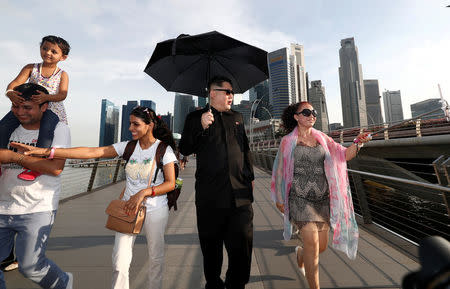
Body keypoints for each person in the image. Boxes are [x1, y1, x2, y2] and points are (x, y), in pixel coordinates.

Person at [14, 106, 177, 289]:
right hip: (128, 208)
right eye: (130, 123)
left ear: (150, 125)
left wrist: (144, 192)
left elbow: (171, 183)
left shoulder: (164, 149)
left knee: (155, 257)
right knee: (119, 262)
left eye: (135, 124)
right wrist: (46, 152)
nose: (130, 128)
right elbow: (92, 152)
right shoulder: (128, 147)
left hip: (155, 208)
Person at [270, 101, 371, 289]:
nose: (311, 116)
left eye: (314, 112)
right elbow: (280, 171)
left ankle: (301, 254)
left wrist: (358, 142)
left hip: (322, 199)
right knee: (313, 243)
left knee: (320, 246)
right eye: (306, 112)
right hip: (299, 199)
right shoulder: (287, 142)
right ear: (296, 117)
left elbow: (344, 155)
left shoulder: (323, 138)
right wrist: (279, 197)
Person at [179, 76, 255, 289]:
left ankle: (235, 284)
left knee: (242, 249)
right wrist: (201, 127)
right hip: (210, 197)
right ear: (213, 93)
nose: (231, 96)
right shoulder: (195, 117)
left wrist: (251, 179)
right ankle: (213, 284)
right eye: (227, 91)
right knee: (211, 251)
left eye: (232, 92)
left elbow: (245, 149)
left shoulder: (238, 117)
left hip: (240, 196)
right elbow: (185, 148)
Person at [0, 83, 72, 289]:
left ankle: (63, 283)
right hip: (2, 205)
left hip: (37, 207)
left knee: (30, 266)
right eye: (16, 107)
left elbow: (56, 167)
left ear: (43, 107)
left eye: (27, 107)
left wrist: (14, 157)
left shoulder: (58, 129)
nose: (20, 112)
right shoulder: (7, 128)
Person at [1, 35, 70, 181]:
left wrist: (46, 98)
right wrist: (10, 94)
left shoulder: (62, 74)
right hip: (28, 107)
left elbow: (62, 95)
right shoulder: (30, 68)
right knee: (3, 126)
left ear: (63, 57)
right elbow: (13, 84)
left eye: (54, 51)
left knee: (46, 132)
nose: (48, 53)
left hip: (52, 108)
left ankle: (35, 166)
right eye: (45, 48)